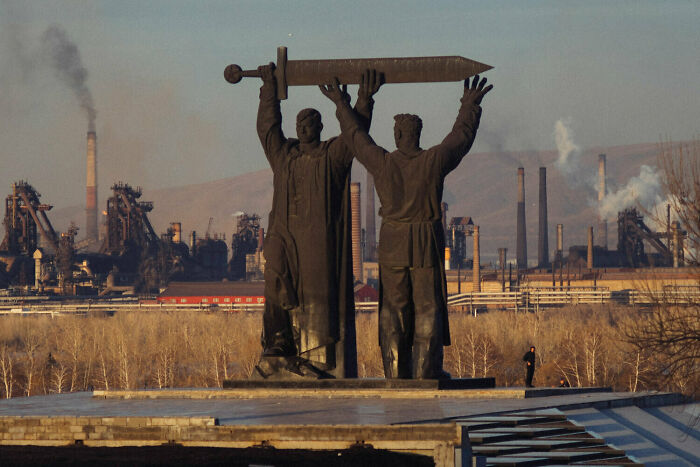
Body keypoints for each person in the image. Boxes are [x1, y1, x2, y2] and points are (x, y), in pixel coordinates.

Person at [321, 75, 492, 379]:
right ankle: (426, 371)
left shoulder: (383, 163)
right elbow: (460, 138)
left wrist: (341, 103)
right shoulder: (433, 160)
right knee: (427, 306)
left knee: (394, 308)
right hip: (425, 239)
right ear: (418, 135)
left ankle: (396, 373)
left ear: (398, 134)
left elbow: (355, 136)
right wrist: (469, 106)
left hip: (394, 241)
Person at [254, 63, 382, 379]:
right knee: (275, 285)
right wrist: (269, 93)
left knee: (314, 300)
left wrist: (362, 100)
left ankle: (313, 357)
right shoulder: (284, 155)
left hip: (316, 243)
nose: (302, 128)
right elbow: (267, 129)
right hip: (283, 236)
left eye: (309, 123)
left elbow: (355, 135)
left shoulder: (331, 155)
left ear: (319, 127)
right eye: (299, 123)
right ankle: (278, 346)